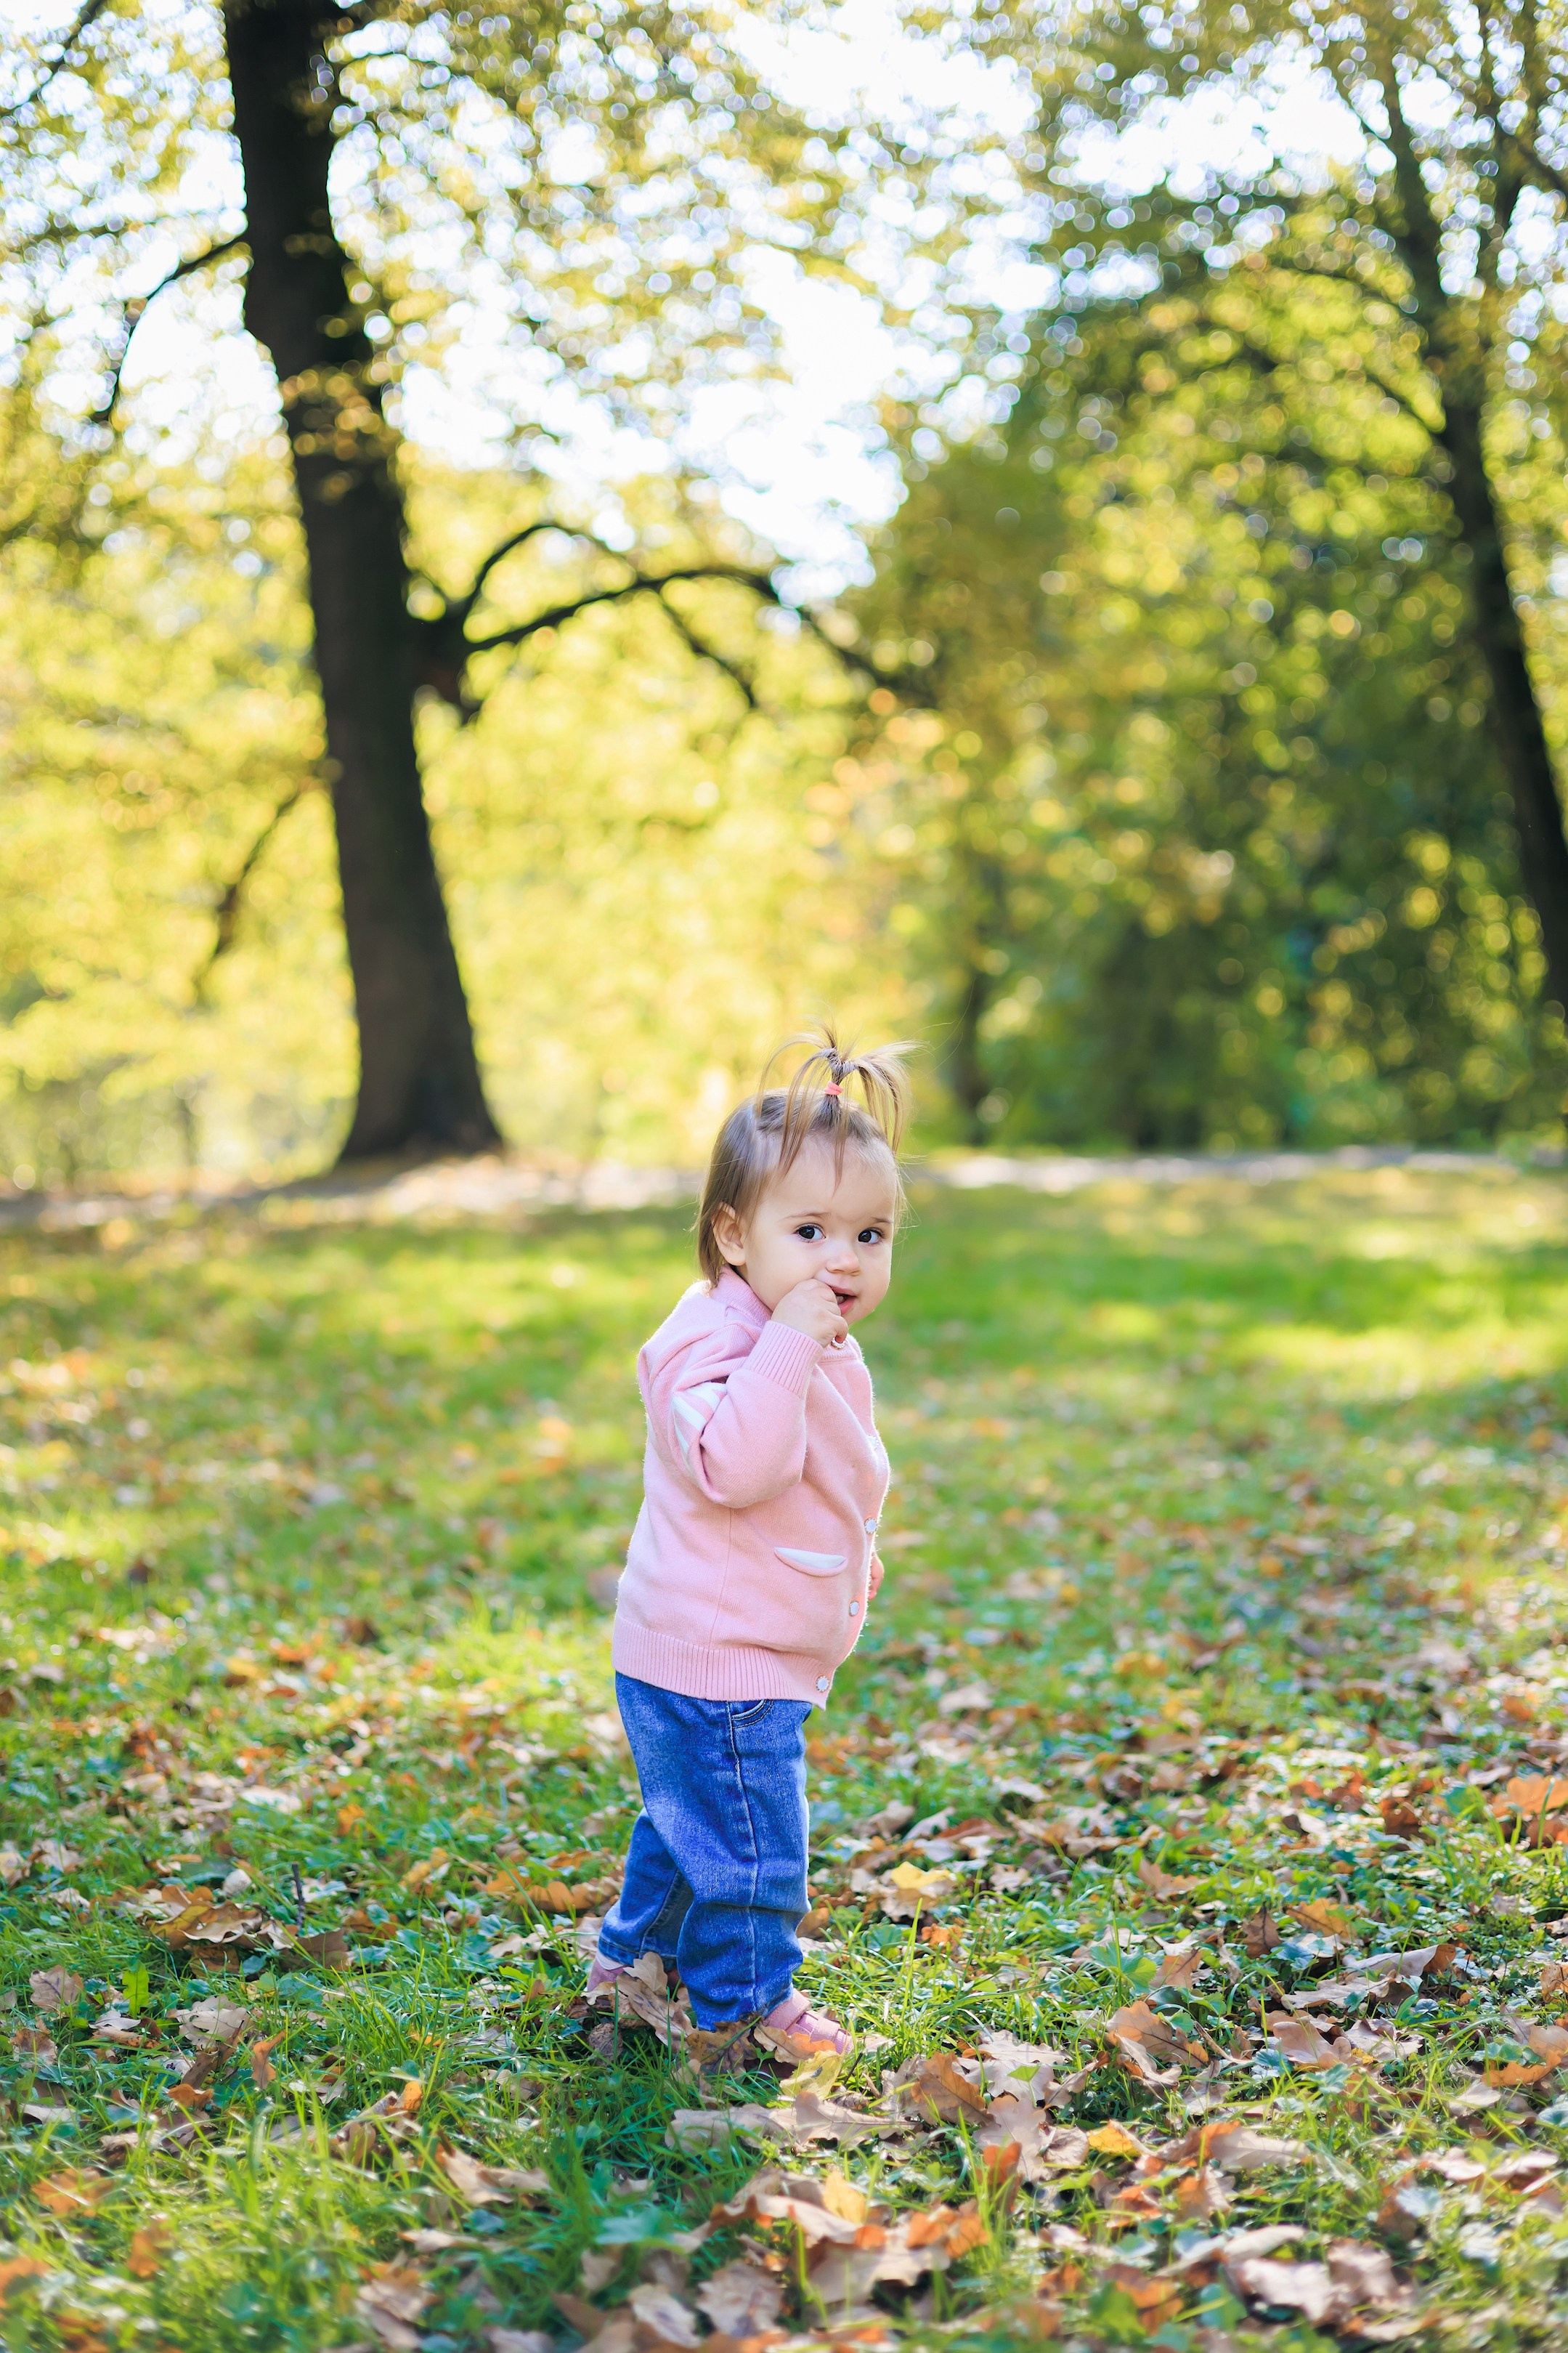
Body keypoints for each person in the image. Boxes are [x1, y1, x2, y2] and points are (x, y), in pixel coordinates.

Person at [588, 1028, 911, 2065]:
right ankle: (742, 2004)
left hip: (738, 1644)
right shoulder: (712, 1348)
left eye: (871, 1235)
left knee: (691, 1824)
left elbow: (829, 1473)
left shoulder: (795, 1332)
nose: (845, 1260)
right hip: (715, 1660)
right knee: (754, 1846)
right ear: (733, 1235)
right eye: (811, 1229)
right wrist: (789, 1344)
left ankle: (629, 1960)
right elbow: (740, 1467)